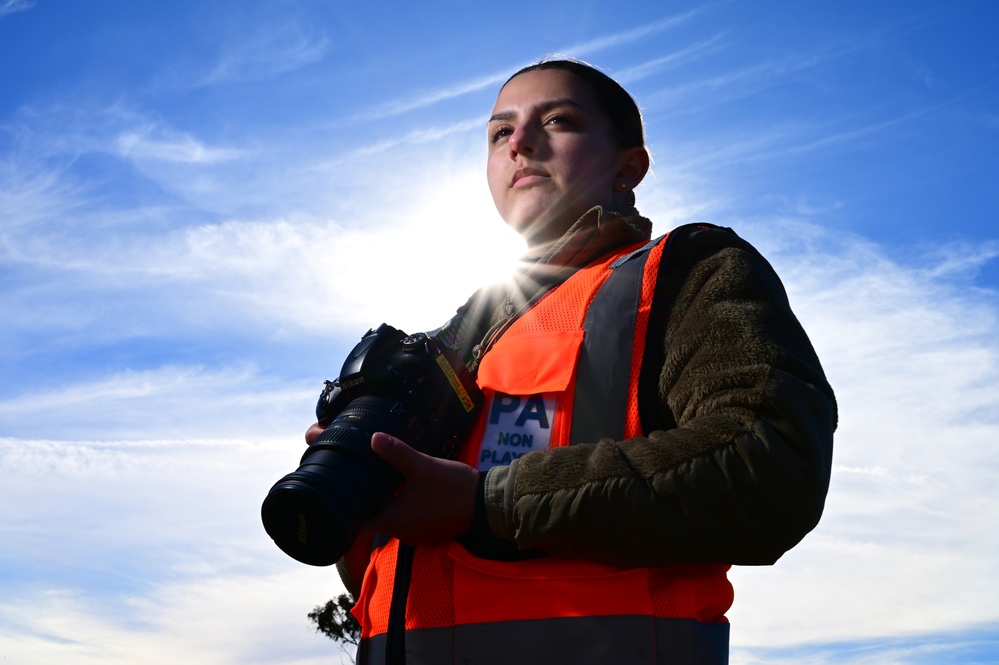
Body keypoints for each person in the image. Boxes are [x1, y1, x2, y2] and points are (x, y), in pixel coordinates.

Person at [305, 58, 836, 665]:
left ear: (627, 166)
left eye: (557, 121)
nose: (521, 143)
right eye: (500, 133)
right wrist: (364, 508)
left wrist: (485, 502)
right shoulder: (454, 342)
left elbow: (769, 467)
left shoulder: (685, 271)